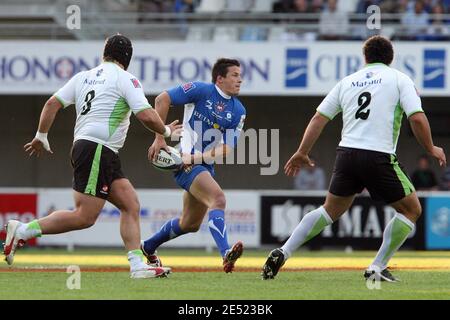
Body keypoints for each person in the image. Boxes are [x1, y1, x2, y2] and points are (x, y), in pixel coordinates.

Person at [262, 35, 447, 282]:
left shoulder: (347, 82)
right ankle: (377, 267)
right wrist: (431, 148)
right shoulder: (400, 79)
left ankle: (283, 251)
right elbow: (416, 117)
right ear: (390, 58)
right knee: (411, 209)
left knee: (329, 210)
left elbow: (319, 118)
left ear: (365, 58)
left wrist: (302, 151)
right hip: (378, 156)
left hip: (346, 155)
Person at [3, 34, 182, 279]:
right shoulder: (126, 78)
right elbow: (147, 115)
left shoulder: (83, 77)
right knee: (84, 217)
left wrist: (41, 136)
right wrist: (167, 131)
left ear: (104, 53)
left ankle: (137, 265)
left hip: (93, 149)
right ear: (127, 59)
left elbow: (50, 104)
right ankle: (23, 230)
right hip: (98, 149)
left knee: (130, 204)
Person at [141, 58, 246, 273]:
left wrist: (195, 159)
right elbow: (162, 99)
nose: (240, 80)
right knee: (218, 199)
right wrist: (160, 138)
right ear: (220, 78)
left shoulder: (238, 110)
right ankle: (226, 254)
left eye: (240, 75)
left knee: (189, 224)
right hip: (183, 161)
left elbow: (227, 149)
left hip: (199, 165)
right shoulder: (200, 90)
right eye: (235, 75)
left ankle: (148, 246)